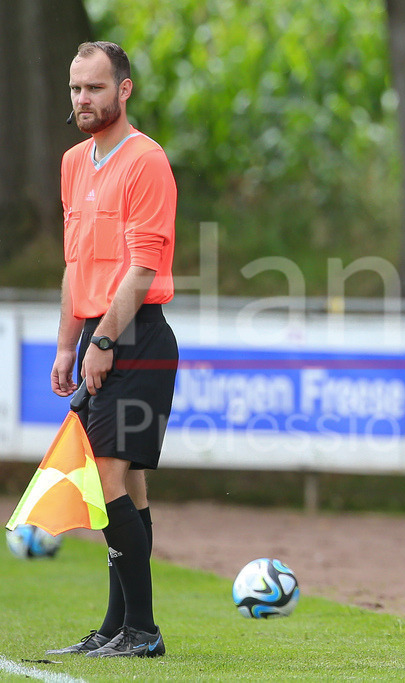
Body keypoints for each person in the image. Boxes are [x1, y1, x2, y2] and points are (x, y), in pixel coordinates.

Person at [46, 41, 178, 658]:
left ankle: (143, 632)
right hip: (96, 336)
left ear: (123, 90)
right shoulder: (74, 162)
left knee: (105, 477)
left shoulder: (147, 161)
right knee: (130, 485)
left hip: (137, 337)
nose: (83, 99)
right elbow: (75, 265)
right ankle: (117, 628)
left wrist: (102, 340)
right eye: (76, 89)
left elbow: (143, 268)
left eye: (95, 88)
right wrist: (66, 346)